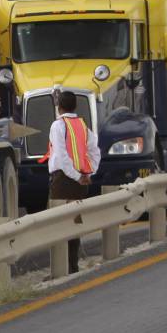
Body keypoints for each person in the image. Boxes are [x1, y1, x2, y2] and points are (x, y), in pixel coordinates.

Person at [46, 90, 97, 272]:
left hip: (63, 179)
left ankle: (61, 269)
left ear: (59, 107)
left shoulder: (57, 126)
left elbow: (61, 156)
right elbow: (94, 152)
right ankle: (72, 266)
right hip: (80, 181)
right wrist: (87, 174)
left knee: (58, 223)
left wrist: (76, 176)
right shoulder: (82, 126)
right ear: (75, 106)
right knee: (74, 222)